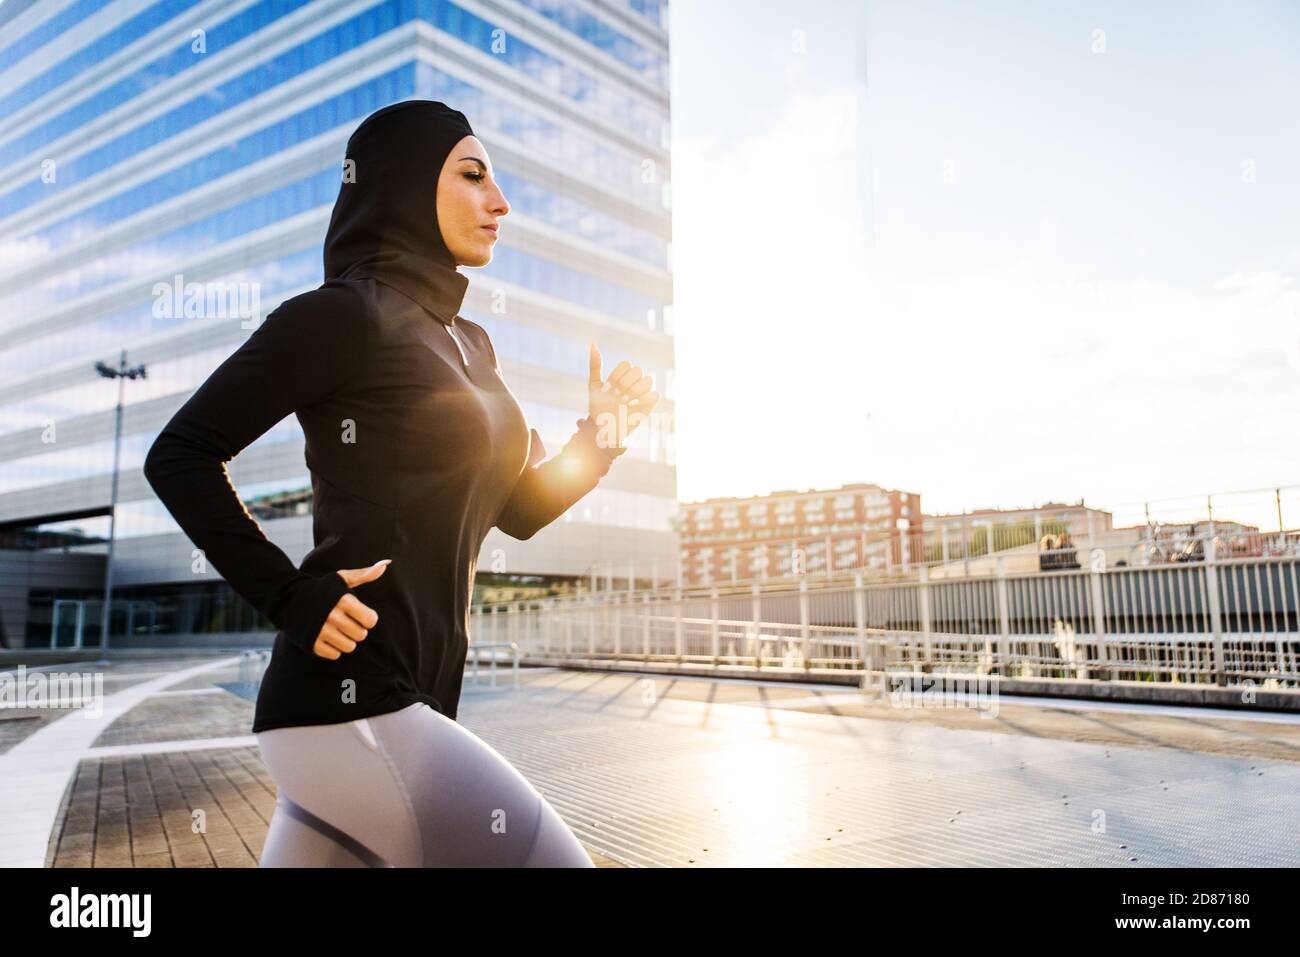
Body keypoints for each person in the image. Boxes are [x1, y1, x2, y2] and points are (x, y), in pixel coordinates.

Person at [142, 100, 660, 867]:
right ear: (407, 186)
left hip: (397, 711)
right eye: (473, 175)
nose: (501, 202)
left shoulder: (474, 345)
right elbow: (180, 454)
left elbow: (515, 512)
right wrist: (290, 597)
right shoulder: (345, 316)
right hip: (353, 701)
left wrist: (603, 436)